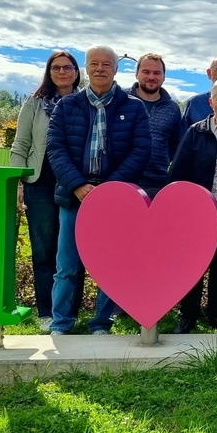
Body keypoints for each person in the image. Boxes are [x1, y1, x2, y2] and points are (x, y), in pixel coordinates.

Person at [46, 45, 152, 335]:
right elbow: (55, 149)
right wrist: (79, 185)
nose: (101, 68)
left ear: (116, 70)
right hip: (73, 196)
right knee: (67, 264)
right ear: (86, 68)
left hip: (114, 198)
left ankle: (101, 323)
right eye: (95, 63)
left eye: (107, 64)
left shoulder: (133, 107)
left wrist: (109, 189)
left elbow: (141, 150)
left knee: (111, 264)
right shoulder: (66, 106)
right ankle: (61, 323)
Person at [10, 50, 83, 331]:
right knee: (43, 249)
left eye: (68, 67)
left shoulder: (84, 102)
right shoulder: (34, 103)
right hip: (39, 184)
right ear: (48, 72)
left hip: (72, 185)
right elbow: (20, 146)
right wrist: (17, 182)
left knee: (73, 251)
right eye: (56, 68)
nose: (62, 72)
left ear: (77, 72)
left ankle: (69, 311)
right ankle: (47, 312)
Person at [167, 79, 217, 333]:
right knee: (192, 263)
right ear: (211, 103)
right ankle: (188, 314)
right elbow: (178, 172)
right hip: (197, 211)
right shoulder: (196, 132)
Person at [127, 53, 183, 198]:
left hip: (158, 184)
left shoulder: (173, 109)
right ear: (136, 74)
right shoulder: (121, 100)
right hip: (124, 181)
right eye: (146, 72)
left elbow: (175, 145)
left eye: (157, 73)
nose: (151, 77)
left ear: (163, 77)